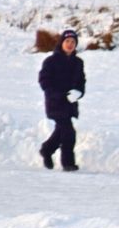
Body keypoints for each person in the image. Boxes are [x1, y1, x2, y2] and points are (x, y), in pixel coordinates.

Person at [37, 28, 86, 171]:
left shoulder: (78, 62)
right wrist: (58, 94)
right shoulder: (51, 61)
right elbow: (44, 81)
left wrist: (79, 93)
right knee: (69, 132)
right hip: (55, 103)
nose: (70, 44)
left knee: (61, 132)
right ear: (61, 43)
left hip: (70, 103)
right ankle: (68, 163)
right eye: (67, 41)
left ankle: (46, 150)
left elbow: (81, 82)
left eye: (73, 42)